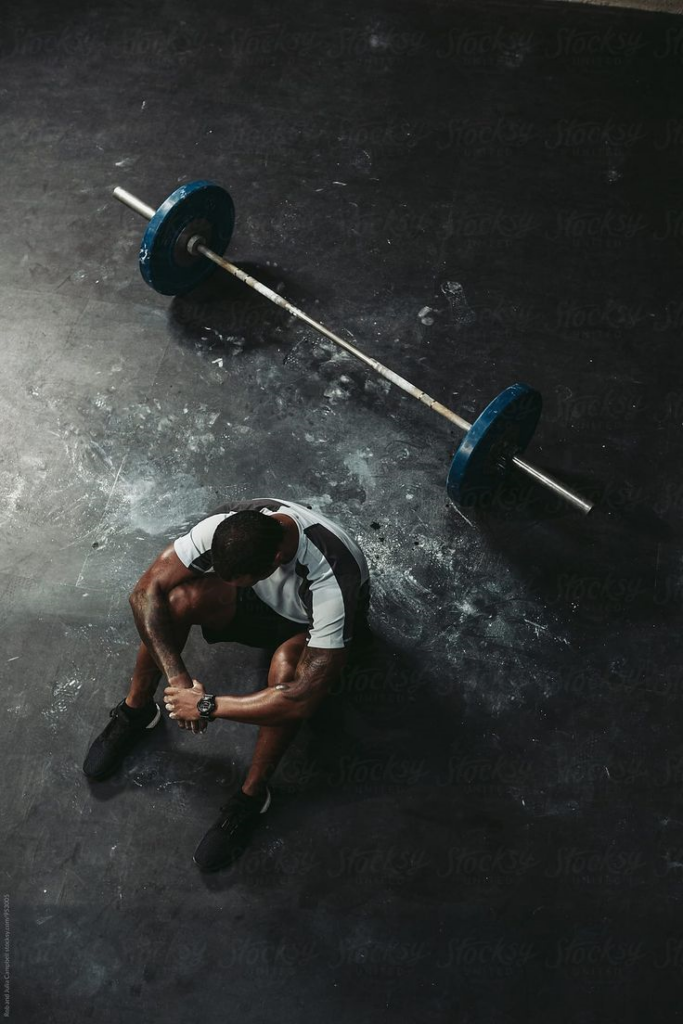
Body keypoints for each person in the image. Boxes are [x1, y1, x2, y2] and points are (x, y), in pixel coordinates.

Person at [82, 498, 370, 872]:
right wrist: (179, 679)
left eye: (240, 579)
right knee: (178, 599)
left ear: (276, 559)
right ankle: (137, 711)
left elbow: (301, 700)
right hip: (265, 601)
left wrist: (205, 706)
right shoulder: (228, 526)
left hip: (311, 627)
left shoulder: (334, 575)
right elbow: (144, 592)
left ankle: (252, 796)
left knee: (285, 673)